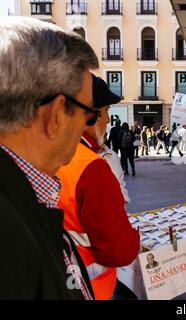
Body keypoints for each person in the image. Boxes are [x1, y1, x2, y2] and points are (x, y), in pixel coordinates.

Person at [0, 17, 99, 299]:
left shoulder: (23, 198)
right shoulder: (8, 234)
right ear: (55, 115)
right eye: (88, 112)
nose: (87, 125)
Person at [56, 75, 140, 300]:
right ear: (89, 115)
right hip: (90, 288)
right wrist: (135, 238)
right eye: (105, 110)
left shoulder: (45, 153)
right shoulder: (91, 168)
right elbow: (120, 251)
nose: (109, 118)